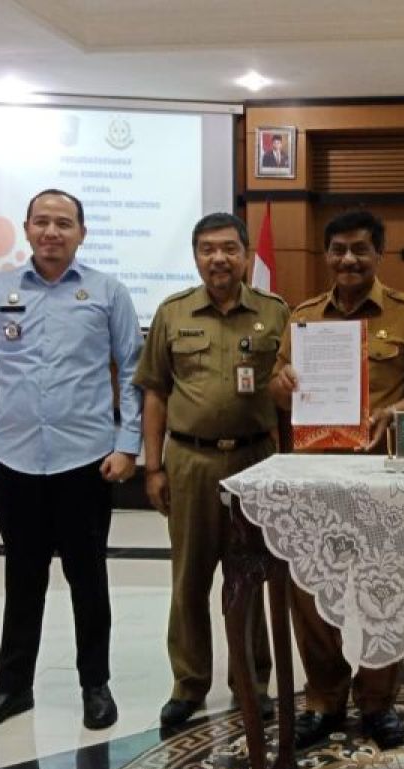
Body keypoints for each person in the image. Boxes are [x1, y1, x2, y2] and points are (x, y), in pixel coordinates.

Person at [0, 188, 142, 735]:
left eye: (64, 223)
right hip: (14, 460)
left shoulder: (106, 292)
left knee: (89, 577)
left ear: (82, 232)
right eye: (42, 222)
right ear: (27, 229)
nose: (52, 232)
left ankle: (95, 685)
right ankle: (12, 689)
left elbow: (132, 372)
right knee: (22, 576)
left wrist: (127, 443)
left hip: (85, 460)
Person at [268, 209, 404, 750]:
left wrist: (393, 413)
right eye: (339, 249)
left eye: (360, 250)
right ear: (326, 255)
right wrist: (283, 382)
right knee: (311, 586)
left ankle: (378, 703)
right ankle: (324, 697)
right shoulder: (302, 318)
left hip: (381, 477)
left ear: (378, 255)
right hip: (315, 475)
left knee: (383, 588)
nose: (349, 259)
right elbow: (279, 390)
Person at [133, 213, 289, 727]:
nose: (217, 258)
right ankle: (188, 684)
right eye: (206, 249)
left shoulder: (275, 313)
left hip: (255, 461)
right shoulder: (173, 313)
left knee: (253, 573)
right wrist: (152, 467)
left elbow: (293, 389)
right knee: (190, 576)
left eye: (228, 248)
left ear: (246, 255)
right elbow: (154, 391)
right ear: (195, 256)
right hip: (190, 460)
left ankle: (253, 680)